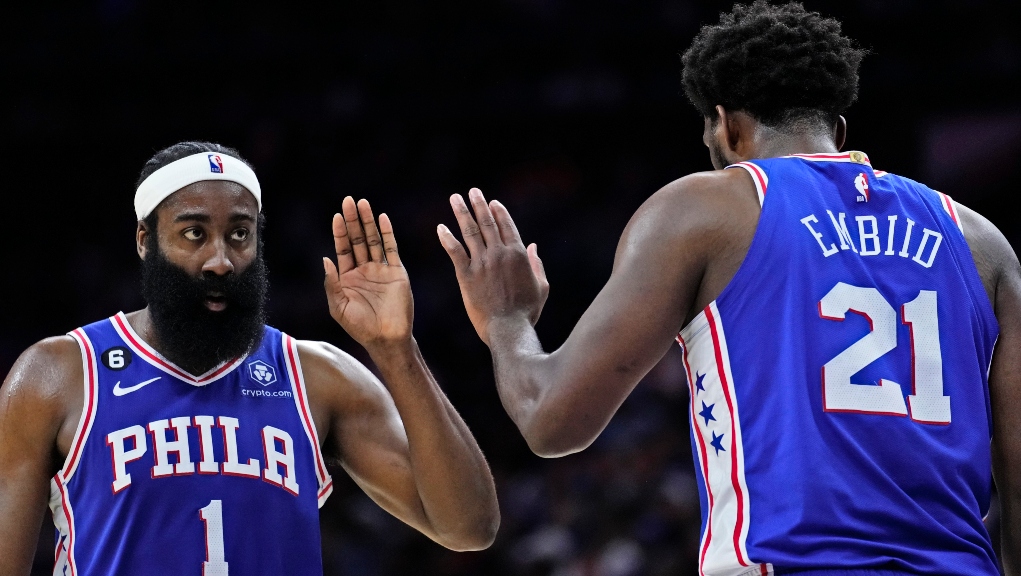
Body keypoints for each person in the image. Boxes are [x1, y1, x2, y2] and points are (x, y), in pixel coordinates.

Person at [435, 2, 1020, 575]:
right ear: (838, 130)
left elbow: (550, 420)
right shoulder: (981, 242)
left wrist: (507, 320)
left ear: (728, 126)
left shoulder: (705, 209)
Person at [0, 141, 499, 575]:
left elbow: (470, 527)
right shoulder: (59, 374)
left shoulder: (316, 377)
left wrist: (395, 350)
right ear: (145, 241)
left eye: (239, 234)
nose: (220, 260)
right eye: (194, 234)